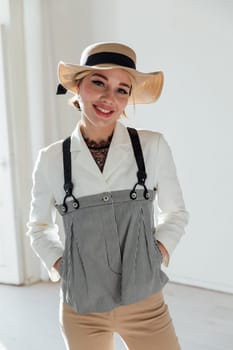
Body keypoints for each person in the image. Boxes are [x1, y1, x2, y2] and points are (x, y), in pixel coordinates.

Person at [26, 41, 189, 350]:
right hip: (82, 309)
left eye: (121, 90)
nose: (108, 98)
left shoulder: (152, 147)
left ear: (128, 99)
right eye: (98, 83)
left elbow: (176, 213)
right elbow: (38, 227)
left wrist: (157, 254)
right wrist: (63, 265)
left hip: (146, 304)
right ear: (77, 86)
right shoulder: (51, 159)